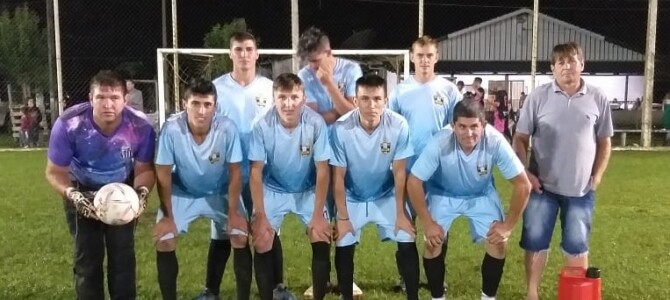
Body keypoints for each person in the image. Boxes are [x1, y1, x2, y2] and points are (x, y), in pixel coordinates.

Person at [512, 42, 613, 300]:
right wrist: (527, 174)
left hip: (581, 189)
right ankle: (532, 294)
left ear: (582, 64)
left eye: (572, 61)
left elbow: (604, 141)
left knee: (577, 246)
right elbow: (520, 138)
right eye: (561, 62)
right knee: (535, 243)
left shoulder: (597, 97)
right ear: (552, 68)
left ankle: (576, 295)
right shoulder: (538, 97)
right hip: (542, 187)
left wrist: (598, 175)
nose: (567, 67)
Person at [45, 70, 155, 299]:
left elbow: (144, 169)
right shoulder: (69, 124)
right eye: (101, 97)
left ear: (125, 100)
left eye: (114, 98)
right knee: (87, 257)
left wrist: (142, 194)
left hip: (122, 191)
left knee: (122, 255)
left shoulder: (141, 126)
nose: (108, 104)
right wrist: (73, 195)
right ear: (90, 98)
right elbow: (55, 172)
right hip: (81, 187)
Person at [407, 100, 530, 300]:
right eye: (462, 127)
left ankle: (488, 297)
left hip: (480, 194)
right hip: (443, 193)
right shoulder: (440, 141)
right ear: (453, 125)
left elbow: (523, 185)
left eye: (474, 126)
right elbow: (414, 182)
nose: (468, 133)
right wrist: (428, 223)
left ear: (484, 125)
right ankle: (437, 297)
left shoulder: (495, 141)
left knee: (498, 241)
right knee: (432, 242)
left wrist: (507, 226)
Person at [153, 78, 251, 300]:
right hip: (183, 191)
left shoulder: (227, 128)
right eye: (196, 103)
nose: (201, 110)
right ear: (184, 103)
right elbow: (163, 174)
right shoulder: (171, 129)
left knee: (240, 235)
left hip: (219, 191)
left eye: (207, 104)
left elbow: (235, 171)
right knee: (165, 238)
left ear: (215, 107)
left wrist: (234, 212)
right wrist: (167, 216)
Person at [330, 74, 420, 300]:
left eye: (377, 99)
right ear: (355, 101)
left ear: (386, 100)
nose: (372, 105)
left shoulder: (398, 125)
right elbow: (338, 177)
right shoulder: (340, 129)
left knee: (407, 238)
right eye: (365, 99)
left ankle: (413, 297)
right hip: (352, 195)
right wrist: (342, 217)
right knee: (344, 242)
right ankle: (346, 296)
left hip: (386, 194)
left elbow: (400, 172)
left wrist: (401, 214)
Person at [388, 35, 462, 292]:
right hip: (408, 168)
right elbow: (391, 129)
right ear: (412, 57)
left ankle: (436, 275)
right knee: (406, 224)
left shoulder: (449, 90)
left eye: (429, 55)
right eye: (420, 55)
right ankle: (405, 276)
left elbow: (458, 128)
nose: (424, 60)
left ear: (436, 57)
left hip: (439, 170)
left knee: (438, 223)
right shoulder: (400, 91)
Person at [249, 73, 331, 300]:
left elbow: (323, 170)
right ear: (274, 98)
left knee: (320, 234)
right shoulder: (261, 124)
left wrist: (317, 214)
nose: (288, 103)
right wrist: (261, 216)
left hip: (307, 189)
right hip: (273, 189)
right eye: (282, 97)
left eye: (294, 97)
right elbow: (255, 171)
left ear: (303, 99)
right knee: (263, 237)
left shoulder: (315, 123)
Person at [297, 26, 363, 297]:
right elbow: (313, 118)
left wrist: (330, 86)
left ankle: (348, 276)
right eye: (308, 63)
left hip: (350, 151)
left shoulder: (351, 70)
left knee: (345, 211)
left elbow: (355, 113)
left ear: (329, 53)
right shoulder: (303, 76)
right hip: (318, 152)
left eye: (316, 61)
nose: (312, 68)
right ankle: (320, 277)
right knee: (321, 210)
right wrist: (340, 108)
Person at [209, 31, 274, 299]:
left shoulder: (269, 88)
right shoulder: (217, 88)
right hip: (228, 173)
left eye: (249, 49)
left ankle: (272, 289)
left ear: (257, 53)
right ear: (230, 54)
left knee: (264, 232)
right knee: (225, 232)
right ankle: (210, 289)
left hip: (261, 172)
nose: (244, 55)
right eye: (238, 49)